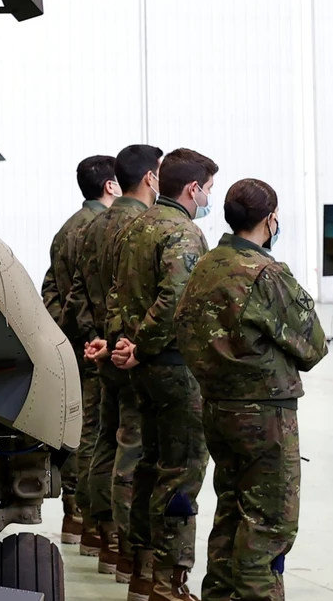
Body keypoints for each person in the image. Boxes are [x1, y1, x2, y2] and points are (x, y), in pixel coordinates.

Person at [177, 179, 327, 601]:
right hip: (265, 417)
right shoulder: (267, 274)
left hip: (217, 409)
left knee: (230, 511)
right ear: (269, 219)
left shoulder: (205, 265)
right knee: (267, 523)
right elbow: (313, 344)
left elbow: (184, 331)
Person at [107, 148, 219, 601]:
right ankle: (168, 581)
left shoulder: (134, 225)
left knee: (149, 466)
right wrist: (145, 345)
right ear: (193, 189)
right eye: (208, 189)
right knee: (182, 471)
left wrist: (124, 344)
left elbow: (116, 291)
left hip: (142, 370)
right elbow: (175, 299)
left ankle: (141, 568)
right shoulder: (184, 233)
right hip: (173, 369)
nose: (208, 196)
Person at [68, 143, 161, 582]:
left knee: (103, 438)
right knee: (133, 448)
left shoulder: (92, 227)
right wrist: (128, 343)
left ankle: (100, 535)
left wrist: (95, 338)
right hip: (132, 354)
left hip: (105, 348)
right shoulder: (144, 227)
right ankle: (130, 552)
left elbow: (77, 294)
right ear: (148, 177)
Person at [42, 154, 120, 546]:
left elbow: (52, 293)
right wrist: (92, 335)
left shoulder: (67, 229)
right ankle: (95, 519)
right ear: (110, 185)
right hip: (99, 345)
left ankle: (74, 513)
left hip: (76, 344)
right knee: (100, 431)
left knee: (80, 428)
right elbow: (85, 294)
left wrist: (67, 335)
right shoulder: (103, 230)